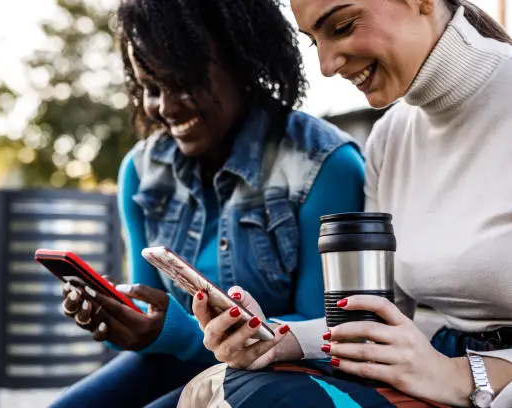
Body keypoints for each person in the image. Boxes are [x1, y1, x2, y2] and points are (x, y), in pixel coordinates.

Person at [180, 0, 512, 407]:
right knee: (221, 386)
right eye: (313, 42)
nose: (327, 66)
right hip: (429, 372)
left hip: (472, 384)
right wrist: (273, 337)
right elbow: (383, 315)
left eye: (342, 25)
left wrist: (461, 374)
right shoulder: (390, 137)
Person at [50, 0, 365, 407]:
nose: (165, 106)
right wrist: (124, 322)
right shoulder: (143, 172)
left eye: (181, 82)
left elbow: (326, 338)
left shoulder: (324, 165)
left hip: (284, 379)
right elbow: (153, 333)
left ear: (242, 58)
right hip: (176, 365)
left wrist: (180, 335)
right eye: (150, 88)